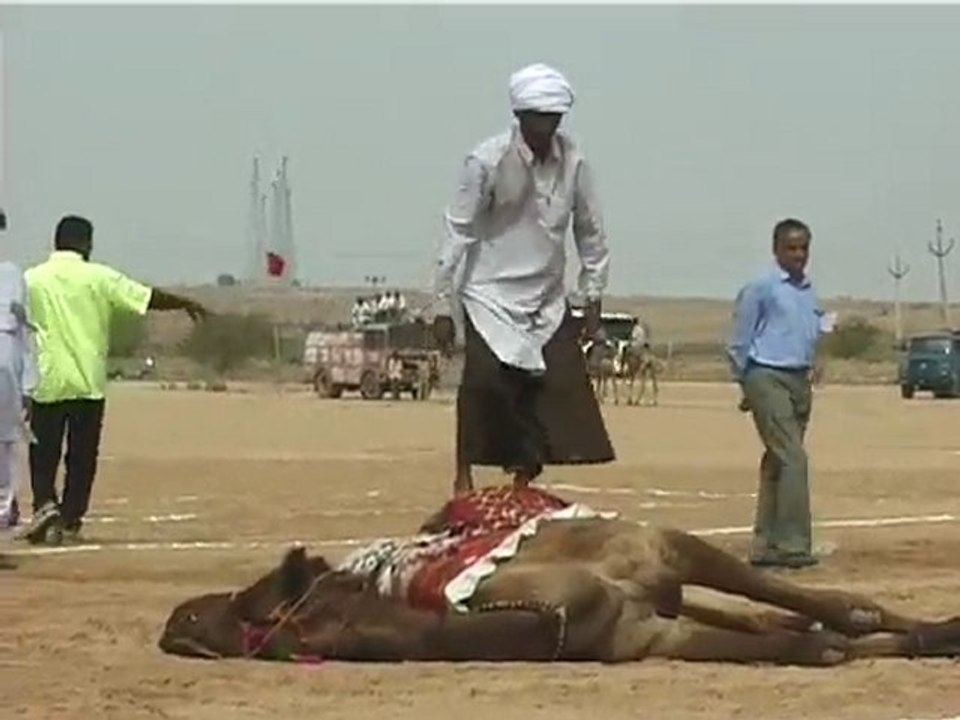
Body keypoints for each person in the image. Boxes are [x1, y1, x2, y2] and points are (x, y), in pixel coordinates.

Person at [433, 62, 614, 495]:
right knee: (483, 384)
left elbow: (590, 233)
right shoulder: (486, 161)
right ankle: (464, 476)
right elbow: (458, 231)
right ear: (519, 117)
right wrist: (441, 304)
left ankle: (522, 477)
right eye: (537, 118)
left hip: (547, 298)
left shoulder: (574, 162)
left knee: (553, 389)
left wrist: (592, 302)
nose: (545, 126)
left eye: (553, 118)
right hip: (489, 294)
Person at [18, 215, 208, 545]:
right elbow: (146, 297)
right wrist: (184, 302)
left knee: (43, 452)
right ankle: (70, 519)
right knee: (82, 457)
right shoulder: (99, 277)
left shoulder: (31, 279)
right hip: (88, 383)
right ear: (85, 243)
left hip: (46, 380)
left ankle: (44, 506)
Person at [727, 218, 826, 570]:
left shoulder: (808, 291)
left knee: (778, 461)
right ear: (776, 249)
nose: (798, 255)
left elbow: (808, 333)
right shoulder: (761, 288)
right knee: (794, 458)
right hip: (766, 374)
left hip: (799, 380)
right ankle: (794, 545)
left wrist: (814, 362)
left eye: (803, 248)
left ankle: (765, 542)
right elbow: (739, 340)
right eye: (791, 248)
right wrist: (747, 383)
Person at [0, 211, 35, 533]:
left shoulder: (12, 275)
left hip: (6, 366)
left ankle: (2, 512)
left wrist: (28, 383)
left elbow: (23, 330)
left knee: (5, 444)